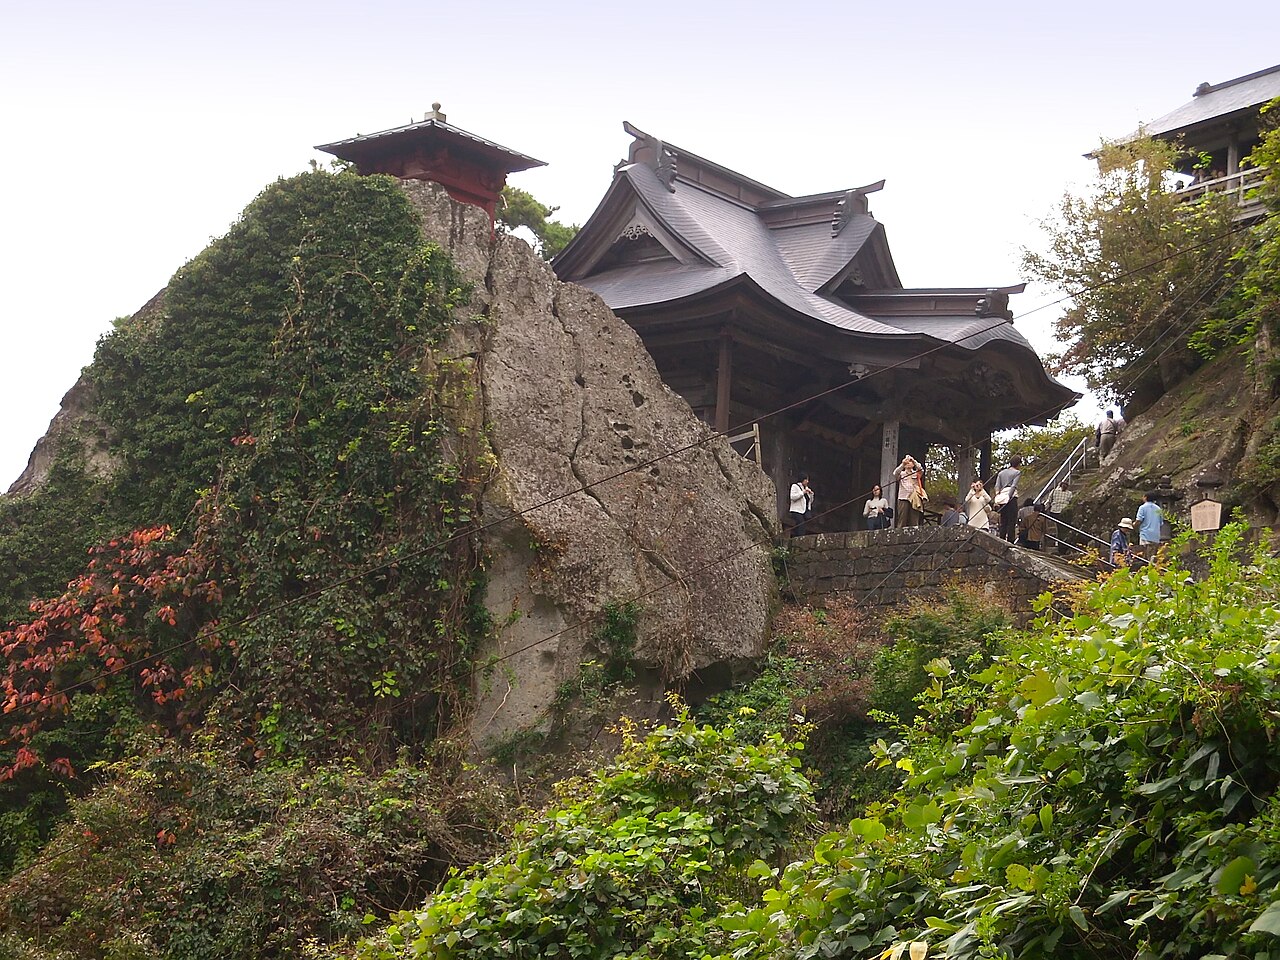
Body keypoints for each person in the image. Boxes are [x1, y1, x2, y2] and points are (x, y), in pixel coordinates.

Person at [992, 456, 1022, 543]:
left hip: (1002, 496)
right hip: (1011, 497)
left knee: (1003, 520)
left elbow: (997, 486)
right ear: (1018, 464)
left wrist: (998, 496)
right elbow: (1014, 486)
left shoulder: (1001, 473)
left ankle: (1001, 539)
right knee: (1012, 520)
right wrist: (1008, 496)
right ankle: (1010, 540)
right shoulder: (1017, 472)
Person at [892, 455, 925, 527]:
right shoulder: (901, 474)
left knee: (914, 520)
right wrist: (903, 464)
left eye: (910, 462)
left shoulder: (916, 474)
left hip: (914, 498)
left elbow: (921, 469)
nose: (908, 463)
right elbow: (895, 473)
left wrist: (913, 460)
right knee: (902, 519)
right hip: (903, 498)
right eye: (907, 462)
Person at [1047, 479, 1074, 553]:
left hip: (1056, 511)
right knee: (1060, 528)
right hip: (1061, 512)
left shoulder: (1054, 491)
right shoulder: (1068, 493)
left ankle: (1057, 541)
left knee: (1058, 528)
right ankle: (1059, 542)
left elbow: (1049, 501)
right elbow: (1071, 502)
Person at [1135, 491, 1163, 561]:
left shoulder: (1142, 507)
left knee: (1145, 556)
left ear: (1146, 497)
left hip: (1145, 534)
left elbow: (1139, 520)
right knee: (1153, 557)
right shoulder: (1158, 509)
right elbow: (1161, 523)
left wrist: (1133, 525)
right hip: (1156, 536)